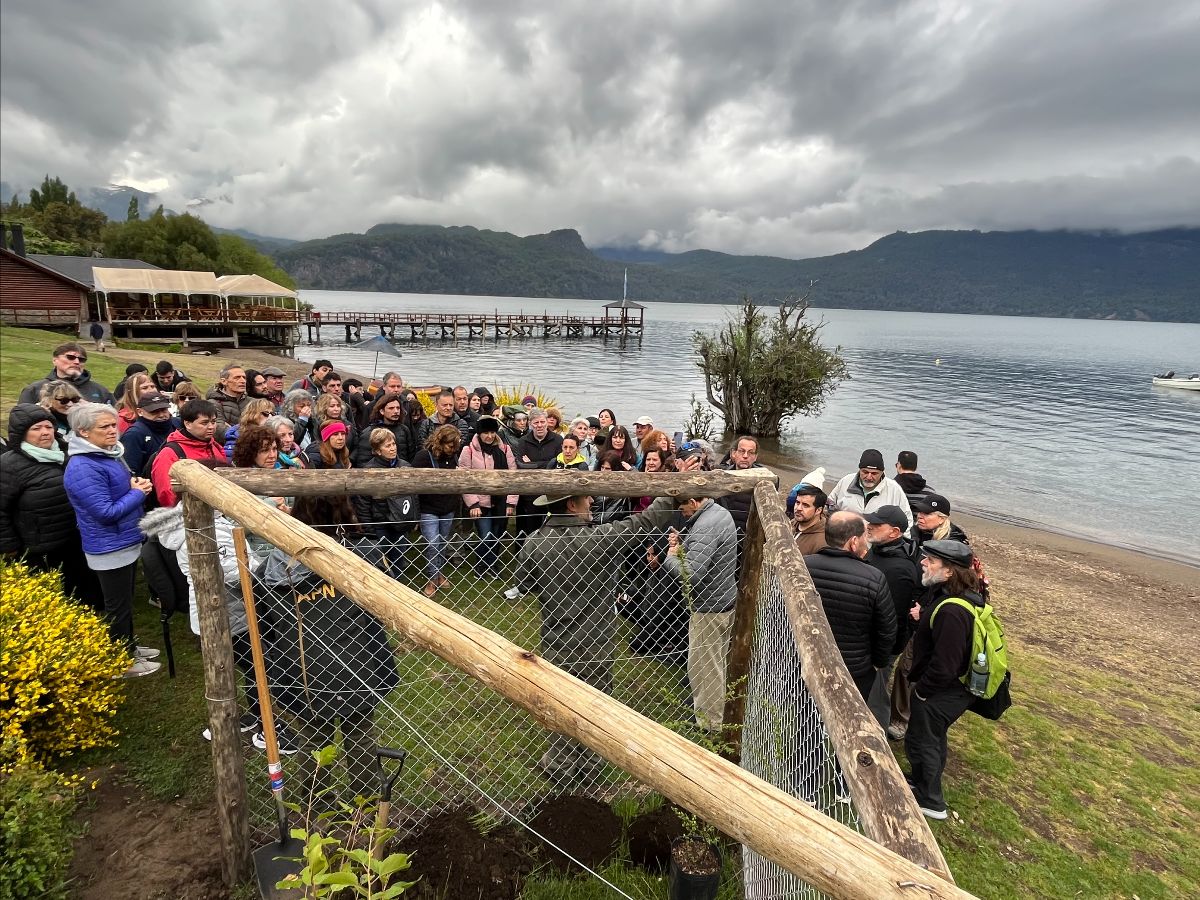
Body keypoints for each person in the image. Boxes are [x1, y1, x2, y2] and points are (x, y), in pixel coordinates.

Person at [517, 491, 682, 782]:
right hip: (597, 644)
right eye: (586, 499)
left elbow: (524, 583)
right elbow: (644, 521)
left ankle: (559, 763)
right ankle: (591, 765)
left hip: (558, 644)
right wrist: (672, 494)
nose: (591, 502)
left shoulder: (535, 543)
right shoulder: (601, 539)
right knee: (596, 706)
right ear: (571, 505)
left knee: (560, 705)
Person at [256, 496, 400, 800]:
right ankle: (365, 799)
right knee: (358, 733)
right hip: (356, 664)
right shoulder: (361, 555)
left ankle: (316, 800)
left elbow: (264, 622)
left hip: (302, 669)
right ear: (343, 511)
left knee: (314, 737)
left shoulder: (271, 565)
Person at [63, 402, 160, 677]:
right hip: (108, 546)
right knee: (116, 606)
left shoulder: (106, 455)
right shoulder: (83, 466)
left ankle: (128, 645)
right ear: (83, 432)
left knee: (125, 602)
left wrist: (132, 487)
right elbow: (105, 512)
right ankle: (120, 661)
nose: (112, 431)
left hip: (122, 541)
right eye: (103, 427)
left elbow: (115, 493)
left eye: (113, 425)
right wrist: (138, 494)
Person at [906, 539, 986, 820]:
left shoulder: (953, 610)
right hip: (950, 690)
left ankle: (931, 802)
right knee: (931, 738)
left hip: (942, 691)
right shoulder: (957, 598)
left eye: (930, 561)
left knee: (923, 740)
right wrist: (923, 618)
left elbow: (946, 663)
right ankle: (919, 782)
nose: (923, 563)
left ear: (950, 571)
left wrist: (923, 692)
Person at [1, 403, 102, 609]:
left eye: (48, 427)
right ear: (21, 434)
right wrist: (9, 546)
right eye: (36, 429)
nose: (45, 433)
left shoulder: (67, 452)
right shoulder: (9, 465)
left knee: (85, 593)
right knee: (54, 598)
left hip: (77, 537)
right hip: (40, 546)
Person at [662, 494, 739, 732]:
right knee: (715, 664)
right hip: (723, 601)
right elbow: (707, 554)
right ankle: (711, 713)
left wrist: (670, 557)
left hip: (709, 608)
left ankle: (710, 724)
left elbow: (692, 574)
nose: (682, 513)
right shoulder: (719, 514)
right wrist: (686, 544)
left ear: (694, 502)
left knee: (704, 668)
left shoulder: (705, 525)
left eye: (683, 508)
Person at [802, 511, 897, 701]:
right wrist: (879, 662)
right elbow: (886, 629)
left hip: (806, 657)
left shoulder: (802, 565)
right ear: (853, 541)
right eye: (864, 537)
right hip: (853, 667)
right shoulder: (873, 577)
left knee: (805, 714)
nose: (866, 542)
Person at [863, 505, 922, 731]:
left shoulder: (900, 569)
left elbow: (895, 617)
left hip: (881, 647)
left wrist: (883, 655)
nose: (870, 526)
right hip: (867, 640)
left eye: (877, 525)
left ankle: (876, 737)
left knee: (875, 696)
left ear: (895, 532)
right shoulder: (877, 551)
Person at [459, 415, 517, 577]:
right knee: (485, 536)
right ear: (479, 433)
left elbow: (513, 478)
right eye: (486, 432)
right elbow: (464, 480)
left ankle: (491, 565)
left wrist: (511, 502)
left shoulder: (505, 450)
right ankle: (482, 565)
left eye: (492, 432)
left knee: (497, 536)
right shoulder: (468, 451)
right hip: (481, 503)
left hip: (501, 501)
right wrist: (473, 504)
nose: (489, 436)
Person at [411, 424, 462, 597]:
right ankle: (432, 579)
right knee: (432, 544)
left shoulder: (453, 457)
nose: (453, 450)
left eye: (455, 446)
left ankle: (438, 574)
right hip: (429, 508)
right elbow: (414, 483)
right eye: (450, 446)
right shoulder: (423, 457)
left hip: (448, 507)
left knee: (442, 544)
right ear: (440, 442)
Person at [149, 399, 227, 508]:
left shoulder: (215, 446)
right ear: (188, 424)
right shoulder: (170, 453)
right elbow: (166, 494)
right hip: (187, 515)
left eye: (213, 422)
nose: (211, 427)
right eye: (204, 423)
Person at [352, 428, 417, 557]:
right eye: (388, 446)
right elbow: (363, 503)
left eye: (393, 444)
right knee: (380, 562)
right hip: (379, 524)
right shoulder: (369, 471)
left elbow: (413, 495)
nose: (393, 448)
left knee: (398, 561)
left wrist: (414, 518)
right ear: (377, 450)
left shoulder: (405, 466)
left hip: (400, 522)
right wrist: (369, 528)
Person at [512, 408, 563, 552]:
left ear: (547, 422)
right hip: (529, 492)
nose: (539, 425)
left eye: (542, 422)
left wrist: (534, 464)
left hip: (550, 491)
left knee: (549, 526)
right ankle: (524, 556)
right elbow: (521, 465)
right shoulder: (523, 441)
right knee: (528, 527)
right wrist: (547, 463)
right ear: (530, 424)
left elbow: (557, 464)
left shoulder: (558, 440)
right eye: (536, 423)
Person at [827, 449, 914, 533]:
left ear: (882, 472)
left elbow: (907, 521)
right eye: (865, 472)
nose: (869, 477)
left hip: (878, 544)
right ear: (859, 470)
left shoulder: (894, 489)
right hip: (844, 538)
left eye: (874, 473)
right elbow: (829, 506)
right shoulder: (846, 481)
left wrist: (900, 544)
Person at [19, 342, 115, 405]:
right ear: (55, 360)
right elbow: (21, 421)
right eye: (70, 357)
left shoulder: (100, 391)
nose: (77, 362)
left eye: (82, 359)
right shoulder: (34, 390)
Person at [120, 391, 177, 476]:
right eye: (154, 411)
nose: (161, 415)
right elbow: (130, 471)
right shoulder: (134, 434)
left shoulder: (177, 424)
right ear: (140, 412)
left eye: (164, 410)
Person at [357, 393, 415, 465]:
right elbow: (363, 461)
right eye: (391, 408)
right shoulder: (369, 432)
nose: (396, 411)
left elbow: (411, 456)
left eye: (398, 408)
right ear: (382, 411)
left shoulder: (404, 429)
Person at [787, 469, 829, 555]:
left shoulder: (822, 543)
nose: (798, 508)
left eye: (805, 505)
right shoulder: (791, 524)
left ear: (818, 510)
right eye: (797, 502)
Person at [590, 451, 631, 524]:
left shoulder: (624, 485)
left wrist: (631, 470)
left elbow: (641, 482)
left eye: (607, 469)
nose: (603, 471)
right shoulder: (593, 483)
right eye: (602, 467)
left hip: (615, 527)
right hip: (594, 526)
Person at [206, 363, 249, 431]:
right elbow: (219, 430)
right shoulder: (213, 404)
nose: (243, 381)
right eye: (237, 378)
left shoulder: (253, 402)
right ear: (224, 381)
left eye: (244, 377)